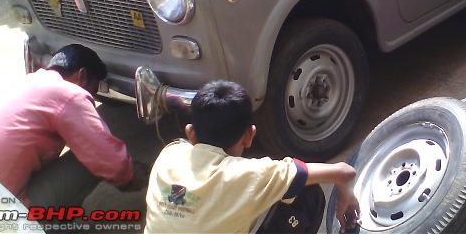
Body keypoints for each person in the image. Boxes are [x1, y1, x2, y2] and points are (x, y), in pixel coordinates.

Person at [145, 80, 361, 233]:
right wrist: (346, 200)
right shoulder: (250, 175)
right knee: (307, 191)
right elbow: (344, 172)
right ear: (250, 136)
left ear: (190, 132)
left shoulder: (169, 154)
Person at [0, 43, 148, 208]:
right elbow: (104, 156)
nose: (92, 98)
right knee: (91, 157)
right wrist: (131, 176)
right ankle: (50, 224)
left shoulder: (29, 82)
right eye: (93, 90)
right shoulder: (68, 94)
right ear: (82, 75)